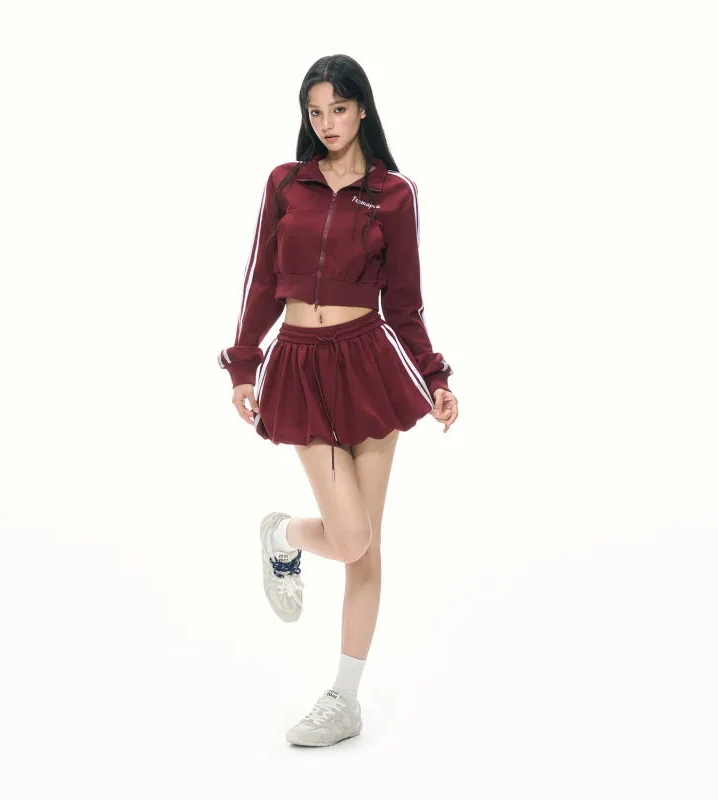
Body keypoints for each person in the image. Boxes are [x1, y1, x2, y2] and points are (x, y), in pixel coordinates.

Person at [217, 54, 459, 747]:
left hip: (369, 363)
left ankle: (344, 700)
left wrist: (435, 377)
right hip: (300, 365)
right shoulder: (285, 183)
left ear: (363, 110)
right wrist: (244, 361)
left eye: (339, 109)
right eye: (315, 111)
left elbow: (405, 303)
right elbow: (262, 280)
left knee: (364, 546)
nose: (327, 123)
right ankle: (282, 536)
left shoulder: (394, 195)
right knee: (346, 533)